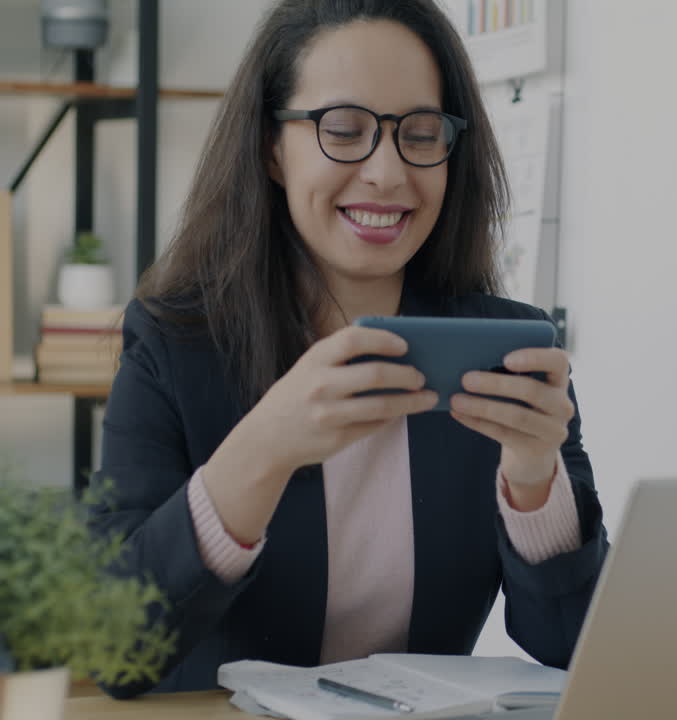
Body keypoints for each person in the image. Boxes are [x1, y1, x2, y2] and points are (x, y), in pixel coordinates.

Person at [88, 0, 607, 698]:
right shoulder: (173, 344)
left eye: (420, 134)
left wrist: (535, 482)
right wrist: (264, 448)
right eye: (344, 130)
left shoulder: (506, 354)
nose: (387, 174)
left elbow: (576, 648)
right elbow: (113, 647)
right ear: (272, 147)